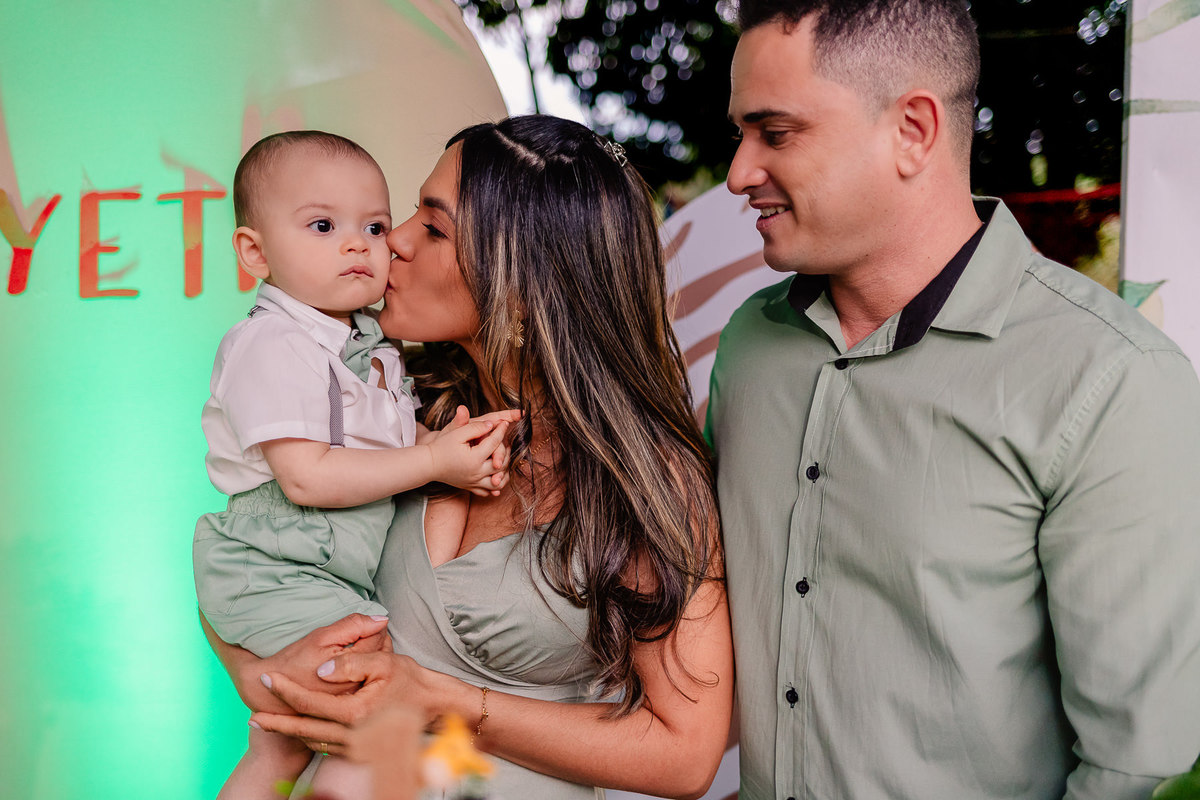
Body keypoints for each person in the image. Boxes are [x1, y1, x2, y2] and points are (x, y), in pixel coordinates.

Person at [708, 1, 1200, 798]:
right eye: (741, 133)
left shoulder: (1111, 380)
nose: (738, 173)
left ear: (913, 131)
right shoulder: (750, 345)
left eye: (777, 132)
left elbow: (1136, 766)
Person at [201, 115, 735, 800]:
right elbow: (251, 554)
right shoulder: (397, 403)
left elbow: (684, 757)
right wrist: (268, 676)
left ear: (525, 280)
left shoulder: (642, 481)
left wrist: (441, 701)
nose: (391, 240)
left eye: (433, 228)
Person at [195, 130, 515, 800]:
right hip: (279, 563)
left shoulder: (374, 347)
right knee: (363, 702)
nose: (361, 245)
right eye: (323, 226)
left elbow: (385, 449)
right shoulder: (271, 342)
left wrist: (450, 457)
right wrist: (433, 460)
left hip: (325, 569)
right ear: (254, 252)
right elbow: (307, 477)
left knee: (291, 739)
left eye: (373, 226)